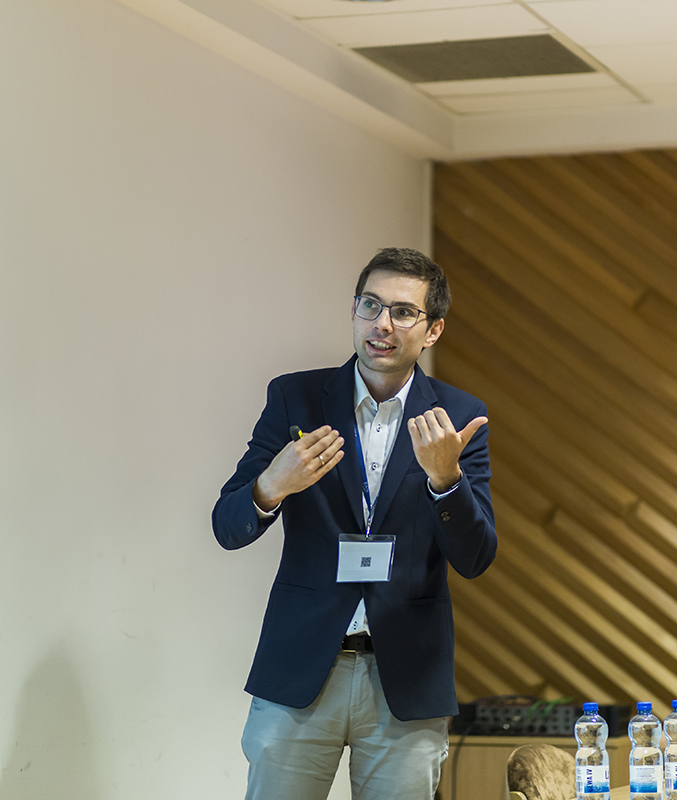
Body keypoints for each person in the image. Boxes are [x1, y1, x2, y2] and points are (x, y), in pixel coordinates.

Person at [213, 247, 498, 800]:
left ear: (433, 329)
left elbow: (475, 558)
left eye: (403, 312)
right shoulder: (295, 398)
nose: (381, 324)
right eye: (370, 305)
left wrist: (446, 480)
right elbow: (228, 525)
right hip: (301, 668)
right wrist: (273, 485)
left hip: (407, 679)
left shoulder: (458, 418)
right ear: (354, 310)